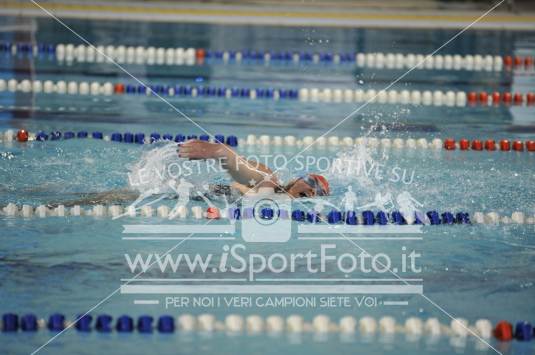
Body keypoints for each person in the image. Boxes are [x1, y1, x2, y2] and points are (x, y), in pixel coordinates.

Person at [178, 139, 330, 198]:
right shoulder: (271, 183)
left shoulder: (275, 193)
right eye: (305, 177)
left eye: (309, 180)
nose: (301, 178)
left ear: (311, 191)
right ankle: (223, 153)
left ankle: (224, 154)